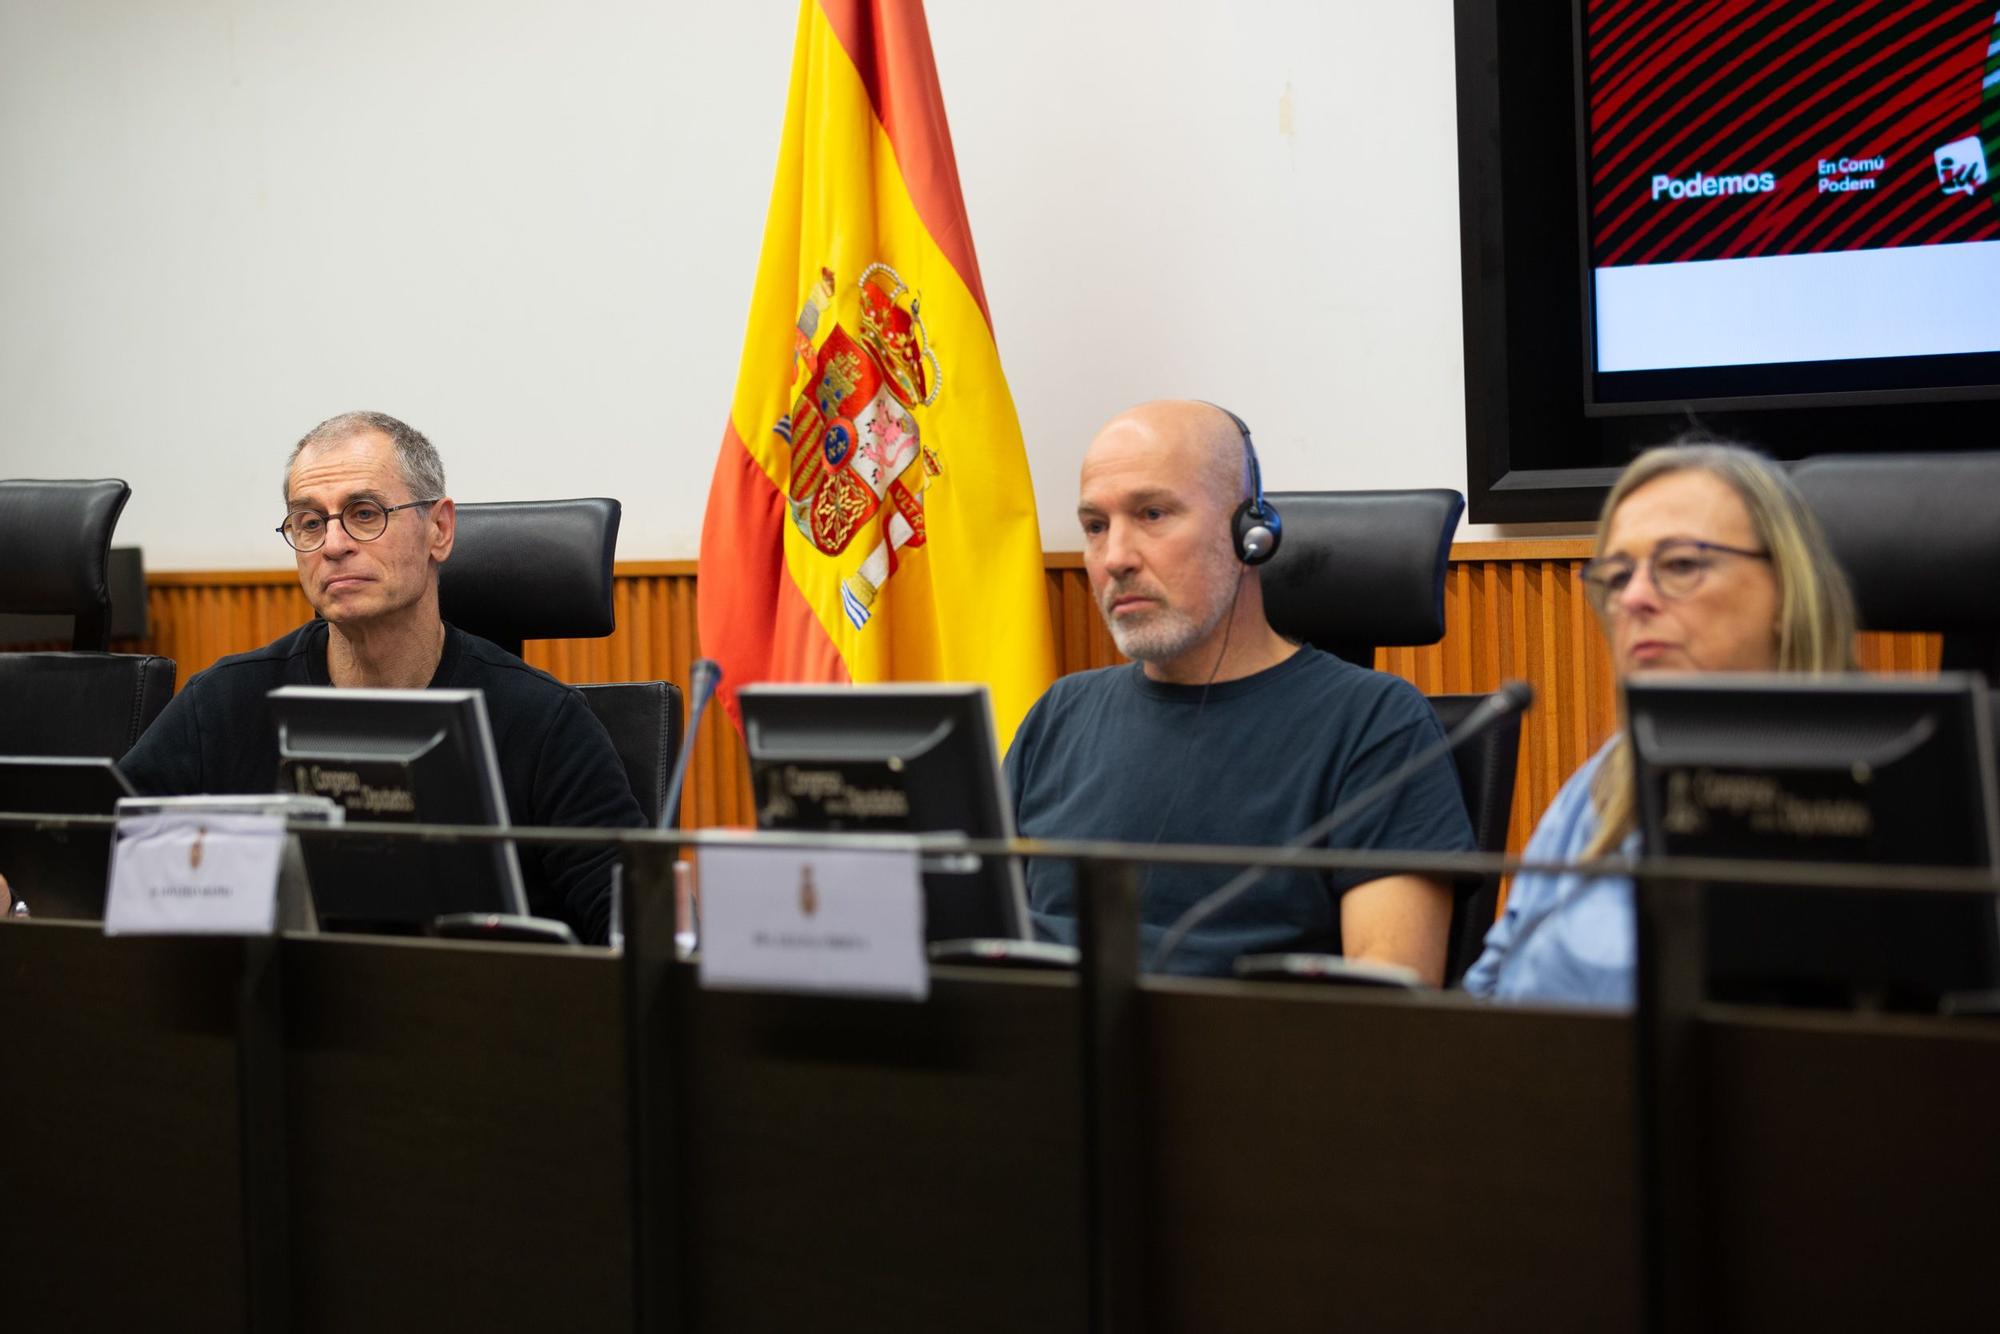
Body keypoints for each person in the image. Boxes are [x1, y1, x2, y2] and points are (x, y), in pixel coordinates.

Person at [118, 411, 644, 944]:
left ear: (438, 529)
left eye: (364, 514)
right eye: (309, 522)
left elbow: (637, 928)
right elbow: (105, 863)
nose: (333, 544)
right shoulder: (224, 703)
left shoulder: (545, 722)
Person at [1006, 400, 1474, 980]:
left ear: (1251, 535)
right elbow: (973, 939)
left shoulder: (1375, 724)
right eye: (1096, 527)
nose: (1116, 558)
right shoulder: (1060, 715)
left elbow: (1388, 1007)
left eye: (1152, 513)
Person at [1461, 439, 1858, 1006]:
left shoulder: (1869, 786)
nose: (1636, 598)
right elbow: (1489, 986)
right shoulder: (1608, 777)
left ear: (1786, 589)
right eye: (1619, 576)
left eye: (1679, 565)